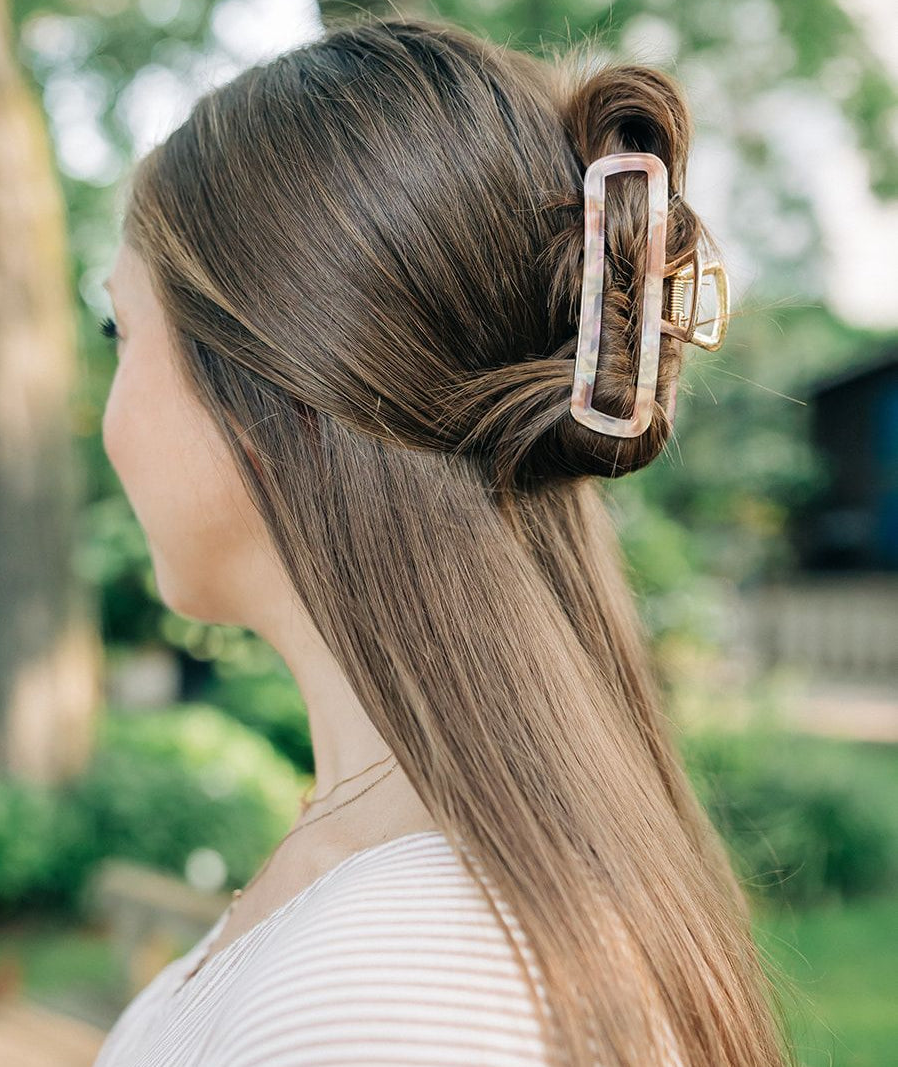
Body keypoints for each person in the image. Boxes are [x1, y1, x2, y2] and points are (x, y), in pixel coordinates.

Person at [92, 14, 794, 1067]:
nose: (103, 409)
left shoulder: (379, 997)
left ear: (266, 396)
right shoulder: (397, 900)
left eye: (118, 330)